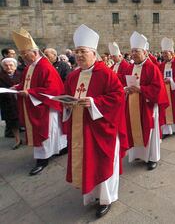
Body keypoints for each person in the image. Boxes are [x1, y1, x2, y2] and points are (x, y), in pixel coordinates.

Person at [62, 24, 128, 218]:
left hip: (102, 129)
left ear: (93, 53)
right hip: (81, 129)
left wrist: (92, 102)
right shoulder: (73, 76)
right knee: (88, 163)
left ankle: (106, 199)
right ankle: (91, 196)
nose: (79, 55)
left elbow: (117, 97)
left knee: (104, 164)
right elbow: (66, 96)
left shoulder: (106, 74)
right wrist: (66, 105)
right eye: (77, 52)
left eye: (83, 51)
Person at [12, 28, 67, 176]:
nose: (23, 57)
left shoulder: (45, 66)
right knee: (48, 133)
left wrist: (29, 92)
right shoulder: (30, 66)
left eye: (25, 53)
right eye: (21, 54)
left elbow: (53, 89)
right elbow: (27, 83)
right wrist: (17, 87)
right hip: (34, 105)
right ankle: (57, 150)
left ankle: (42, 159)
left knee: (47, 131)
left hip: (45, 107)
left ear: (34, 53)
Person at [124, 32, 169, 170]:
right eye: (132, 51)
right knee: (134, 128)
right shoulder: (131, 67)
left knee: (150, 131)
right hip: (133, 104)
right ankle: (137, 154)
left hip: (148, 105)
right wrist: (126, 89)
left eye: (136, 51)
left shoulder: (152, 68)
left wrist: (141, 89)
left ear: (144, 52)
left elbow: (157, 88)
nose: (133, 54)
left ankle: (152, 158)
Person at [0, 58, 22, 147]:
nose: (9, 67)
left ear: (15, 66)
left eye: (11, 65)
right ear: (3, 67)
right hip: (7, 102)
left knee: (24, 120)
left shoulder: (21, 74)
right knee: (12, 122)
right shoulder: (0, 76)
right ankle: (17, 140)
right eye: (6, 65)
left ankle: (29, 138)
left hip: (19, 100)